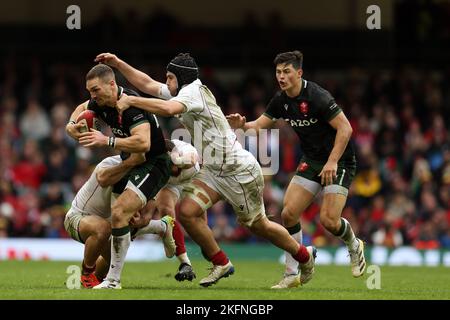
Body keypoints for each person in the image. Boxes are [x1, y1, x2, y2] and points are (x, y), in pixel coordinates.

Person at [94, 52, 316, 288]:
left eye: (169, 78)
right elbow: (147, 84)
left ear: (181, 78)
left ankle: (304, 256)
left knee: (258, 225)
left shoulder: (193, 93)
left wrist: (132, 101)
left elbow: (168, 110)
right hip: (213, 170)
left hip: (237, 170)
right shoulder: (182, 91)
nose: (166, 83)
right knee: (188, 212)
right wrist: (118, 64)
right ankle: (221, 262)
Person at [226, 50, 366, 289]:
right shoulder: (281, 100)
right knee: (288, 214)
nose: (281, 76)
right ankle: (292, 273)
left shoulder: (317, 96)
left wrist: (332, 161)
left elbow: (346, 129)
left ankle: (354, 245)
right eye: (278, 72)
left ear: (299, 73)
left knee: (329, 222)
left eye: (286, 71)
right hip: (312, 160)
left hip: (339, 160)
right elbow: (259, 125)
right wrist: (243, 125)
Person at [66, 64, 171, 289]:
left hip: (152, 164)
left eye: (95, 90)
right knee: (127, 224)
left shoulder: (131, 106)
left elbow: (144, 143)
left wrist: (107, 140)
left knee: (119, 214)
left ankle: (112, 281)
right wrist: (70, 126)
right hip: (132, 162)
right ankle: (161, 228)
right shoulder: (101, 102)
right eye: (90, 91)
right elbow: (81, 107)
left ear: (112, 85)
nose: (92, 96)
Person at [63, 154, 176, 288]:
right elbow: (103, 179)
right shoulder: (110, 163)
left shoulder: (145, 173)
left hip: (109, 225)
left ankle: (96, 278)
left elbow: (146, 211)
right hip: (77, 217)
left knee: (116, 256)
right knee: (103, 228)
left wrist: (142, 219)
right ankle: (87, 273)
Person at [131, 138, 199, 281]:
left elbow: (192, 159)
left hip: (194, 179)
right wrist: (142, 219)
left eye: (171, 163)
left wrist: (176, 159)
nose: (171, 167)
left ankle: (215, 257)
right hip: (167, 183)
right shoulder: (157, 166)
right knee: (166, 212)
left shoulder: (186, 151)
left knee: (199, 222)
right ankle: (185, 264)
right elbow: (149, 211)